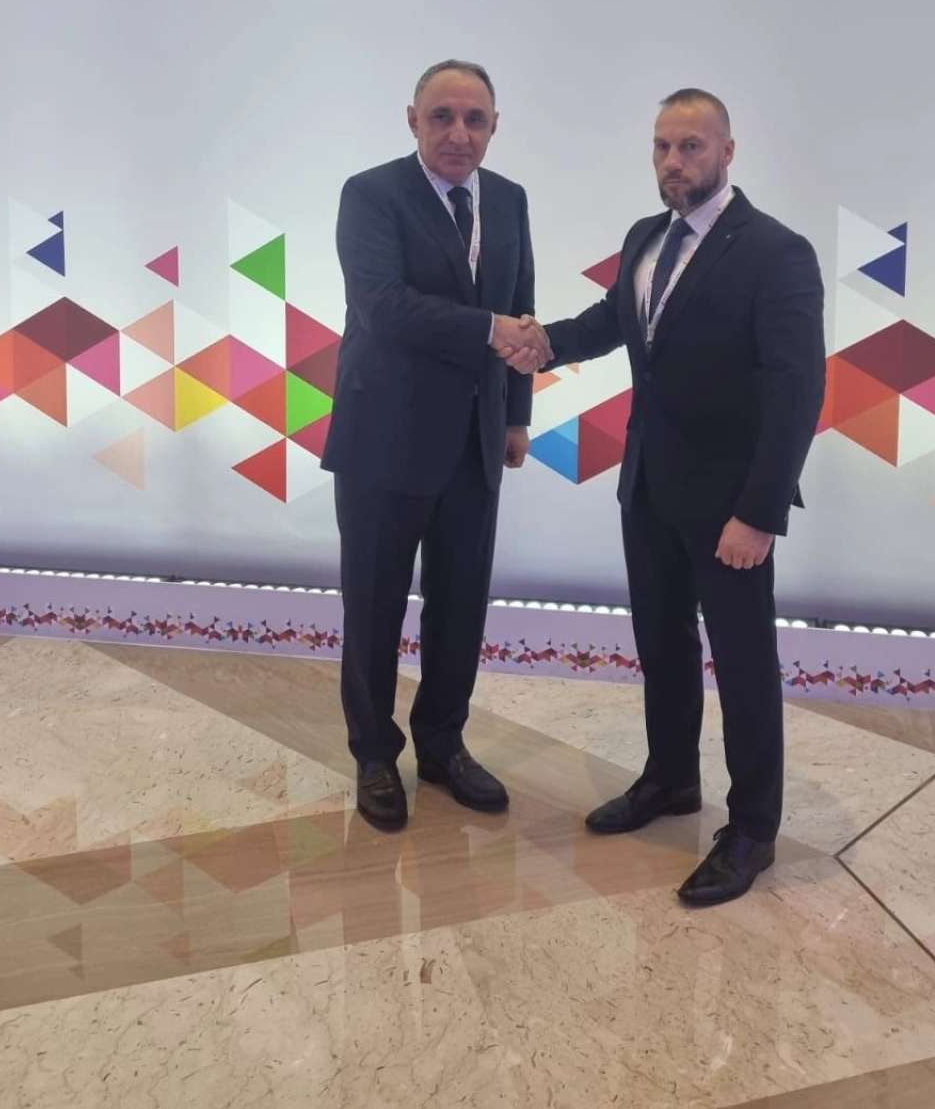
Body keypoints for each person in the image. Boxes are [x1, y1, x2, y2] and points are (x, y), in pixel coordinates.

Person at [509, 89, 825, 904]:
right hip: (647, 485)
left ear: (727, 151)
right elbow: (615, 319)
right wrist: (544, 343)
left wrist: (759, 512)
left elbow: (797, 391)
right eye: (661, 146)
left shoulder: (776, 252)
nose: (674, 161)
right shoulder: (646, 237)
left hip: (729, 508)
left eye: (691, 145)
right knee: (663, 644)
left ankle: (752, 828)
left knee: (744, 663)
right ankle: (672, 778)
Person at [321, 60, 549, 830]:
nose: (458, 132)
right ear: (412, 119)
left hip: (475, 440)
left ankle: (444, 744)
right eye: (442, 116)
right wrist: (489, 329)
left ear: (494, 126)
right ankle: (373, 754)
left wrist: (515, 414)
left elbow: (521, 302)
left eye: (474, 119)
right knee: (374, 603)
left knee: (461, 603)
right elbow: (383, 306)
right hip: (383, 438)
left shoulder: (509, 199)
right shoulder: (370, 194)